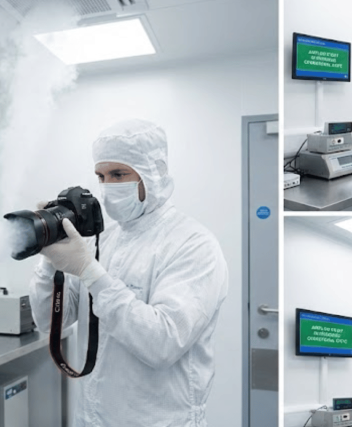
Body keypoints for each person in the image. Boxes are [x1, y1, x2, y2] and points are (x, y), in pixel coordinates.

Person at [27, 118, 229, 427]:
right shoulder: (101, 240)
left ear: (154, 173)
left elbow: (163, 343)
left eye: (119, 174)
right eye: (101, 176)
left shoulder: (193, 244)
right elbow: (49, 320)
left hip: (159, 421)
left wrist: (91, 273)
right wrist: (49, 258)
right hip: (93, 417)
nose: (108, 186)